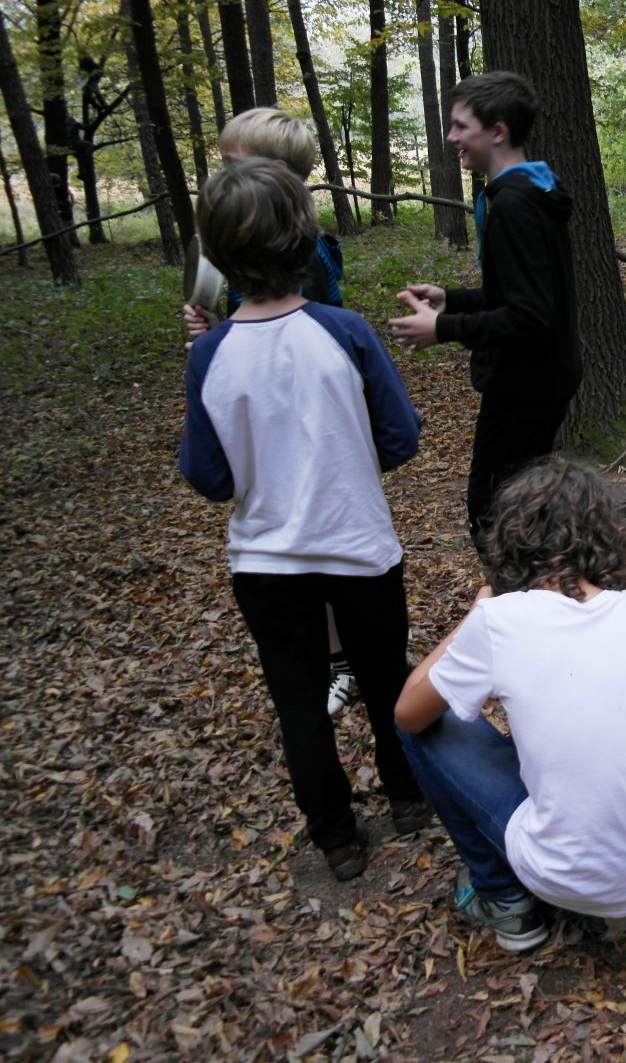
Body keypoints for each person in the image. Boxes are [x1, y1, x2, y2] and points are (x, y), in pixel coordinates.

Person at [178, 159, 430, 882]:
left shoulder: (210, 355)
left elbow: (209, 477)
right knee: (385, 678)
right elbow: (401, 438)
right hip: (359, 547)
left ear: (217, 253)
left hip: (266, 565)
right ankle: (409, 798)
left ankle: (338, 839)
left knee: (299, 702)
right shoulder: (344, 331)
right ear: (305, 238)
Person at [394, 457, 626, 953]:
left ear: (512, 542)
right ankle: (613, 903)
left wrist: (475, 613)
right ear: (606, 537)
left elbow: (409, 712)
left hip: (567, 873)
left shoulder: (498, 620)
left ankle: (504, 899)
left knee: (420, 726)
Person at [181, 107, 356, 719]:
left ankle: (341, 659)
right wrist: (215, 332)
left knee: (318, 545)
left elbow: (298, 337)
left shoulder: (303, 255)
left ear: (276, 171)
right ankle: (333, 655)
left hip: (306, 423)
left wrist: (223, 343)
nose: (221, 176)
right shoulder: (258, 248)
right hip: (279, 421)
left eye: (233, 164)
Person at [389, 71, 582, 549]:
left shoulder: (515, 206)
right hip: (541, 377)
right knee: (522, 510)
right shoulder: (531, 192)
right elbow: (524, 293)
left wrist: (444, 328)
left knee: (495, 515)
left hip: (526, 385)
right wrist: (452, 299)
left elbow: (531, 316)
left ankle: (528, 591)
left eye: (461, 126)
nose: (451, 137)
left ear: (497, 131)